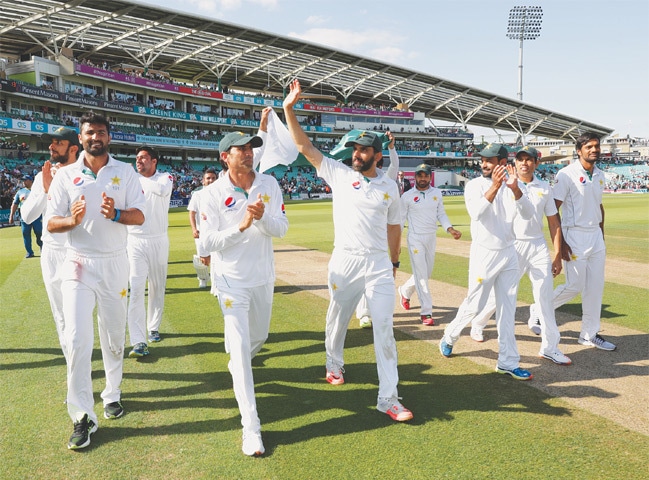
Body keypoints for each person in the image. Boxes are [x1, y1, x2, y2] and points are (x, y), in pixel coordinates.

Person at [283, 79, 413, 422]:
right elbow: (306, 148)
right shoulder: (339, 174)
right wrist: (289, 109)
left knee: (384, 328)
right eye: (355, 149)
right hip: (345, 260)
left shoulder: (390, 188)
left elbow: (394, 227)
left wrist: (394, 261)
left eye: (363, 150)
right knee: (338, 319)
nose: (357, 153)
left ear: (377, 155)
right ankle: (334, 364)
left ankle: (389, 397)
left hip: (379, 265)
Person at [47, 112, 145, 450]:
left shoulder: (125, 171)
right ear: (82, 137)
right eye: (90, 132)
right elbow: (50, 223)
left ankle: (112, 393)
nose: (95, 137)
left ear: (108, 137)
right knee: (76, 338)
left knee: (114, 336)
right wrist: (70, 221)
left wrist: (115, 214)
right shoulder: (66, 175)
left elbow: (140, 214)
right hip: (78, 263)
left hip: (115, 263)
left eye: (101, 132)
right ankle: (81, 416)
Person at [198, 131, 288, 456]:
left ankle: (239, 364)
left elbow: (282, 227)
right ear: (225, 156)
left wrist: (262, 220)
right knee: (238, 351)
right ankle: (251, 429)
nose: (248, 154)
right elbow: (207, 243)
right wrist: (241, 226)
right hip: (230, 282)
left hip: (262, 278)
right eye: (241, 150)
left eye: (251, 149)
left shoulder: (269, 185)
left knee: (258, 339)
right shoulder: (211, 194)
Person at [438, 143, 535, 381]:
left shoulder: (516, 185)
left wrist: (514, 190)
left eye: (490, 160)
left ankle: (508, 362)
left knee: (508, 309)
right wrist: (495, 186)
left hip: (509, 252)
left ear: (502, 163)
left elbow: (528, 214)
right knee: (475, 305)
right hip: (484, 253)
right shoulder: (474, 185)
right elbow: (476, 213)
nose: (484, 163)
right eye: (482, 159)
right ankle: (450, 335)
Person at [469, 146, 571, 366]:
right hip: (512, 245)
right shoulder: (505, 185)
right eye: (520, 160)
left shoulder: (544, 187)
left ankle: (550, 347)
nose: (524, 163)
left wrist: (557, 254)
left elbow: (553, 222)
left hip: (537, 245)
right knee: (502, 296)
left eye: (529, 160)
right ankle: (478, 323)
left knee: (544, 296)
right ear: (514, 163)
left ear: (536, 163)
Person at [532, 133, 615, 351]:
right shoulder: (566, 174)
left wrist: (601, 233)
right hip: (574, 235)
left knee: (595, 288)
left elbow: (599, 206)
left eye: (596, 146)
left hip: (595, 236)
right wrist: (562, 244)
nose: (594, 150)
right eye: (589, 146)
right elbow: (553, 209)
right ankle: (538, 309)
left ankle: (589, 335)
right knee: (575, 285)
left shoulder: (600, 174)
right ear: (579, 150)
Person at [20, 127, 81, 360]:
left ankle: (81, 361)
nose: (51, 146)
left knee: (78, 314)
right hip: (52, 252)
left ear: (73, 148)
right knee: (62, 315)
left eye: (58, 142)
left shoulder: (85, 174)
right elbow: (27, 216)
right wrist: (46, 191)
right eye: (51, 142)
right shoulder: (42, 175)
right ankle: (74, 367)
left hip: (78, 252)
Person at [397, 163, 462, 326]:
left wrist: (450, 228)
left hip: (431, 238)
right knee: (422, 277)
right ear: (416, 177)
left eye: (426, 175)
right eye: (420, 175)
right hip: (415, 239)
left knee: (425, 274)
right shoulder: (407, 196)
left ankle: (405, 290)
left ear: (429, 177)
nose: (423, 178)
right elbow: (400, 221)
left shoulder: (437, 193)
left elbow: (441, 213)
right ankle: (426, 312)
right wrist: (395, 243)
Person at [126, 146, 173, 357]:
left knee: (157, 287)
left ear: (154, 161)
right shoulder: (131, 181)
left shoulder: (165, 178)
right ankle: (137, 340)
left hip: (159, 241)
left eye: (143, 158)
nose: (139, 161)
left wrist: (135, 179)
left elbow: (161, 191)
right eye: (137, 158)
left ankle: (153, 327)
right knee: (135, 289)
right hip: (135, 240)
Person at [356, 130, 399, 329]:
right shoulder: (354, 176)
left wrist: (391, 148)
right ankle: (363, 313)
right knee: (361, 280)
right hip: (360, 237)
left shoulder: (386, 182)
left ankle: (372, 312)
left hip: (380, 238)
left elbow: (395, 165)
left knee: (377, 281)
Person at [188, 168, 217, 288]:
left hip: (217, 232)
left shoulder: (221, 193)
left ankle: (217, 281)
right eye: (208, 178)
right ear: (203, 181)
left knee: (217, 258)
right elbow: (192, 213)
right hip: (202, 233)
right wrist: (194, 229)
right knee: (203, 259)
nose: (211, 180)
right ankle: (203, 279)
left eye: (213, 178)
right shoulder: (197, 195)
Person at [10, 175, 43, 258]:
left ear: (31, 181)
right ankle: (29, 252)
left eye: (26, 180)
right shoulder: (20, 192)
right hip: (24, 217)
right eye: (23, 180)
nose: (24, 182)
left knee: (39, 233)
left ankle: (42, 247)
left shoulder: (38, 190)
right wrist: (11, 216)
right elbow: (15, 204)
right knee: (26, 234)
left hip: (37, 216)